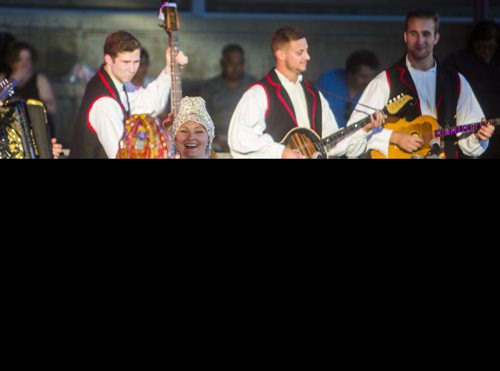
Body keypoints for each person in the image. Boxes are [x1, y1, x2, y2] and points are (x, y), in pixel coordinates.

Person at [348, 9, 495, 159]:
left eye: (426, 34)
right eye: (414, 33)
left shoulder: (456, 81)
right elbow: (353, 136)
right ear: (405, 36)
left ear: (436, 38)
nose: (420, 41)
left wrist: (479, 136)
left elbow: (471, 143)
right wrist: (393, 137)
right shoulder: (385, 81)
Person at [228, 27, 383, 159]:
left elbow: (331, 144)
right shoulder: (259, 93)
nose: (307, 57)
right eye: (300, 52)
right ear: (281, 54)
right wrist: (282, 152)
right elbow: (240, 139)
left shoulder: (314, 95)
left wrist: (364, 129)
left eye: (307, 51)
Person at [70, 31, 188, 158]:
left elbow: (148, 103)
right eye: (126, 62)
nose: (132, 69)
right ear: (109, 59)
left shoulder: (119, 82)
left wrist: (170, 69)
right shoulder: (105, 103)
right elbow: (121, 154)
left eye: (136, 62)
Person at [444, 20, 500, 158]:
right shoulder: (457, 60)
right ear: (474, 43)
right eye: (483, 45)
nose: (486, 51)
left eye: (491, 46)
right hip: (467, 130)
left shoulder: (498, 62)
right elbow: (443, 86)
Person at [201, 44, 256, 153]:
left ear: (243, 63)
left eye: (239, 64)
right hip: (216, 142)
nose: (235, 68)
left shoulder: (254, 86)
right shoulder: (209, 87)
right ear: (222, 63)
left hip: (247, 140)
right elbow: (202, 118)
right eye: (231, 63)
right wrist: (215, 139)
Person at [2, 41, 57, 135]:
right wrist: (14, 80)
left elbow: (52, 107)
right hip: (10, 131)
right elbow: (1, 97)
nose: (24, 64)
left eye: (28, 60)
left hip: (36, 129)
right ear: (12, 62)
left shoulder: (39, 79)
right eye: (20, 60)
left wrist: (28, 104)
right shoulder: (3, 78)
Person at [316, 50, 380, 128]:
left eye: (372, 76)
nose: (368, 81)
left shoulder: (374, 90)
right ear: (350, 73)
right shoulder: (328, 80)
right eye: (363, 77)